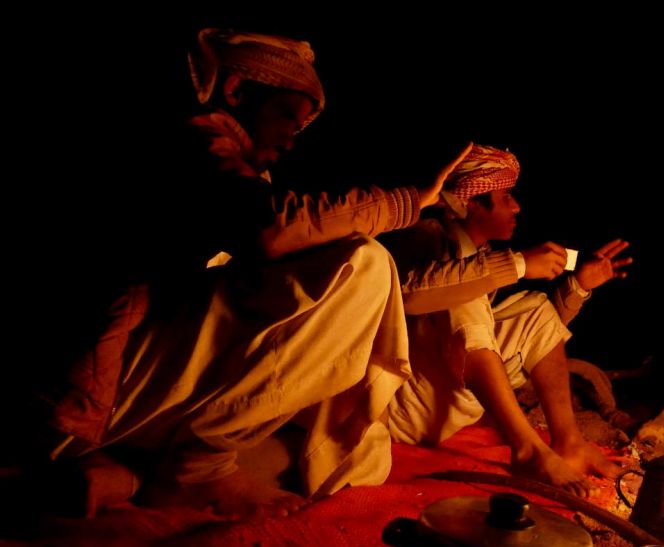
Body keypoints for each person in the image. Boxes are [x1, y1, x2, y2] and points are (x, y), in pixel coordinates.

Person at [43, 28, 471, 519]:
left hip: (138, 377)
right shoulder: (192, 141)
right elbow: (267, 230)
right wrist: (408, 201)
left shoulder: (243, 169)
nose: (293, 138)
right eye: (289, 116)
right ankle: (191, 468)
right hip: (91, 388)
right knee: (363, 266)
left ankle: (137, 476)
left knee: (344, 456)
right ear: (237, 92)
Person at [381, 145, 630, 496]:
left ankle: (569, 442)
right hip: (405, 408)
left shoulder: (479, 257)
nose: (517, 207)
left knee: (536, 311)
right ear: (472, 202)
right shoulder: (426, 237)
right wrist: (518, 265)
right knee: (465, 297)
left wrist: (578, 287)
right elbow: (408, 294)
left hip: (446, 404)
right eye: (506, 196)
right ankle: (528, 449)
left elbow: (533, 343)